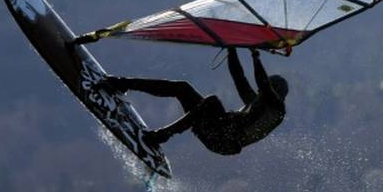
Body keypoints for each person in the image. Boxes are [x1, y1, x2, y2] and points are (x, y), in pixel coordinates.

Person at [100, 47, 288, 155]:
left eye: (266, 88)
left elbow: (262, 82)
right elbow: (239, 77)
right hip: (217, 131)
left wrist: (255, 55)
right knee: (183, 88)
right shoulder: (258, 100)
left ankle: (162, 135)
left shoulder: (277, 108)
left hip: (223, 140)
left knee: (212, 102)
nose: (259, 90)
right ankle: (121, 84)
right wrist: (232, 47)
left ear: (275, 91)